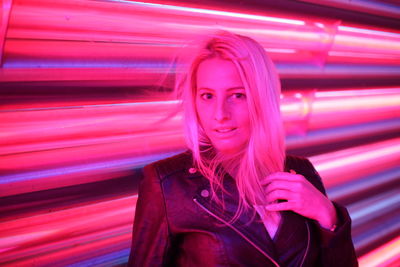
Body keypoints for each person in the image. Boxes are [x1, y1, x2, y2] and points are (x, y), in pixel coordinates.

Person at [128, 30, 358, 266]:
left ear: (262, 97)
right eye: (207, 96)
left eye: (237, 95)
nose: (220, 115)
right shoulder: (167, 184)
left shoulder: (301, 172)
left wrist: (328, 215)